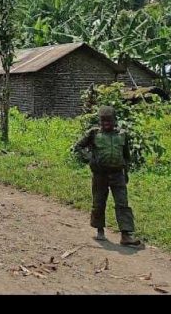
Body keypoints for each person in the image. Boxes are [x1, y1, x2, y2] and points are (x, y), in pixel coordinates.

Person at [73, 106, 141, 247]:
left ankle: (126, 235)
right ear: (100, 121)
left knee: (122, 203)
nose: (106, 124)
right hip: (100, 175)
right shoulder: (94, 133)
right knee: (99, 202)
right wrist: (90, 158)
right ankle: (99, 229)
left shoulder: (122, 135)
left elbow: (126, 156)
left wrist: (125, 173)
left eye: (109, 121)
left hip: (118, 175)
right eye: (103, 121)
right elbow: (78, 147)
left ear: (114, 120)